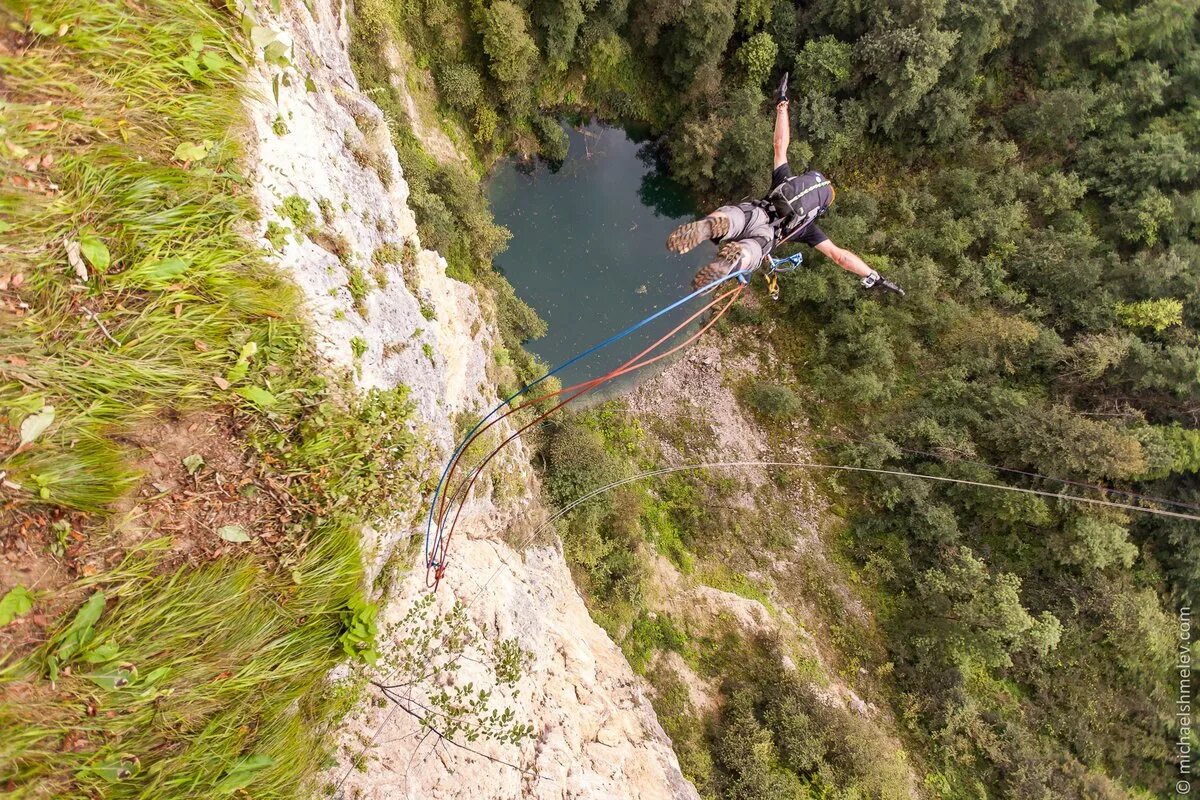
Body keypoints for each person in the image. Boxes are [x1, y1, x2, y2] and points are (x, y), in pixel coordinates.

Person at [667, 76, 904, 296]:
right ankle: (738, 258)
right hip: (768, 236)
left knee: (732, 217)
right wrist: (874, 275)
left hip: (756, 212)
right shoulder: (809, 228)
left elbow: (780, 144)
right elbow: (839, 257)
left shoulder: (785, 180)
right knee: (752, 252)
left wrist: (782, 105)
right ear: (819, 209)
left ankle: (712, 225)